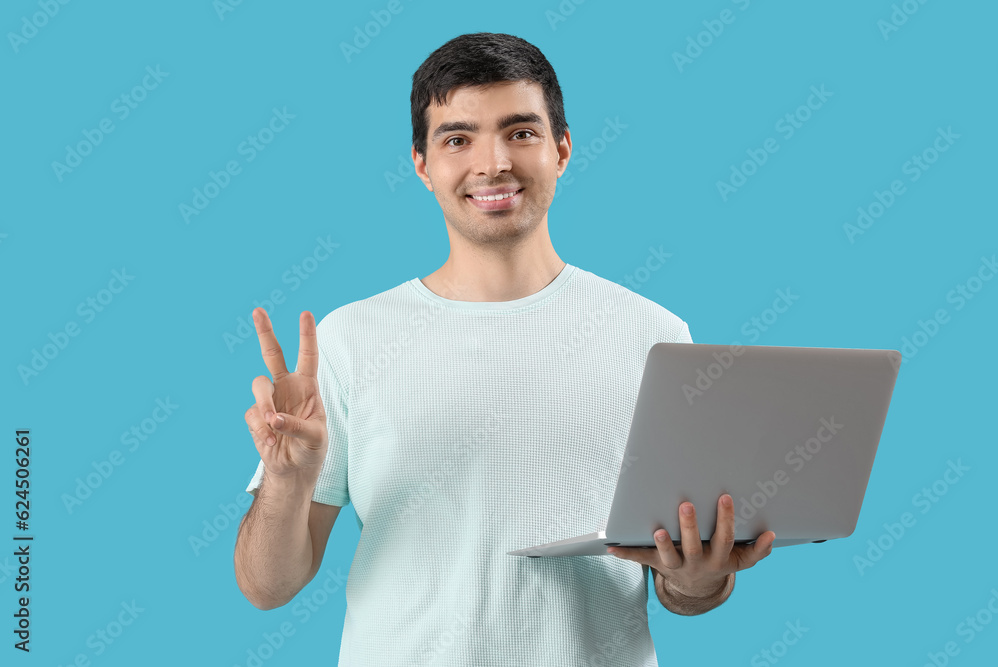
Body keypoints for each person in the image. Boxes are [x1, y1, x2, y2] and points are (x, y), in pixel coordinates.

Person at [234, 32, 775, 665]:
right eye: (457, 139)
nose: (492, 164)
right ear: (421, 163)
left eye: (520, 132)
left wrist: (700, 578)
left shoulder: (652, 336)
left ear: (562, 149)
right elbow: (266, 588)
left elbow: (685, 587)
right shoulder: (351, 339)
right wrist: (286, 481)